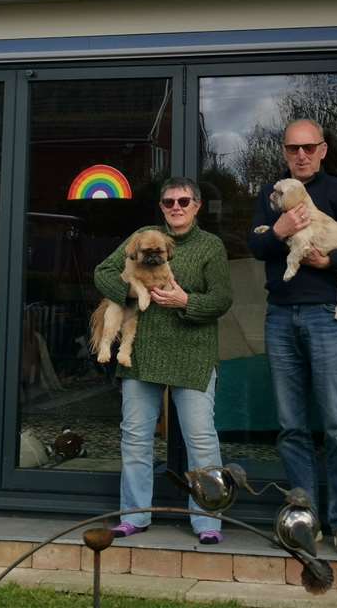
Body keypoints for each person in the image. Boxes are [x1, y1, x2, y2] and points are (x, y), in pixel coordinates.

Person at [247, 118, 337, 560]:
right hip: (281, 316)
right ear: (284, 152)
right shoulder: (274, 195)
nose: (301, 155)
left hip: (329, 316)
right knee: (291, 426)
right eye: (292, 149)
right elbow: (256, 247)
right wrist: (281, 231)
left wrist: (332, 262)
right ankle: (305, 519)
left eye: (308, 148)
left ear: (323, 150)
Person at [93, 176, 233, 544]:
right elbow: (103, 272)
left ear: (197, 206)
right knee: (136, 438)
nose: (176, 208)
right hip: (143, 352)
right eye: (169, 202)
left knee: (201, 440)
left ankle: (208, 522)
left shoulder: (211, 246)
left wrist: (186, 302)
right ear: (161, 207)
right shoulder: (142, 235)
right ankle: (134, 516)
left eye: (184, 201)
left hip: (193, 353)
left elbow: (222, 299)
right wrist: (133, 290)